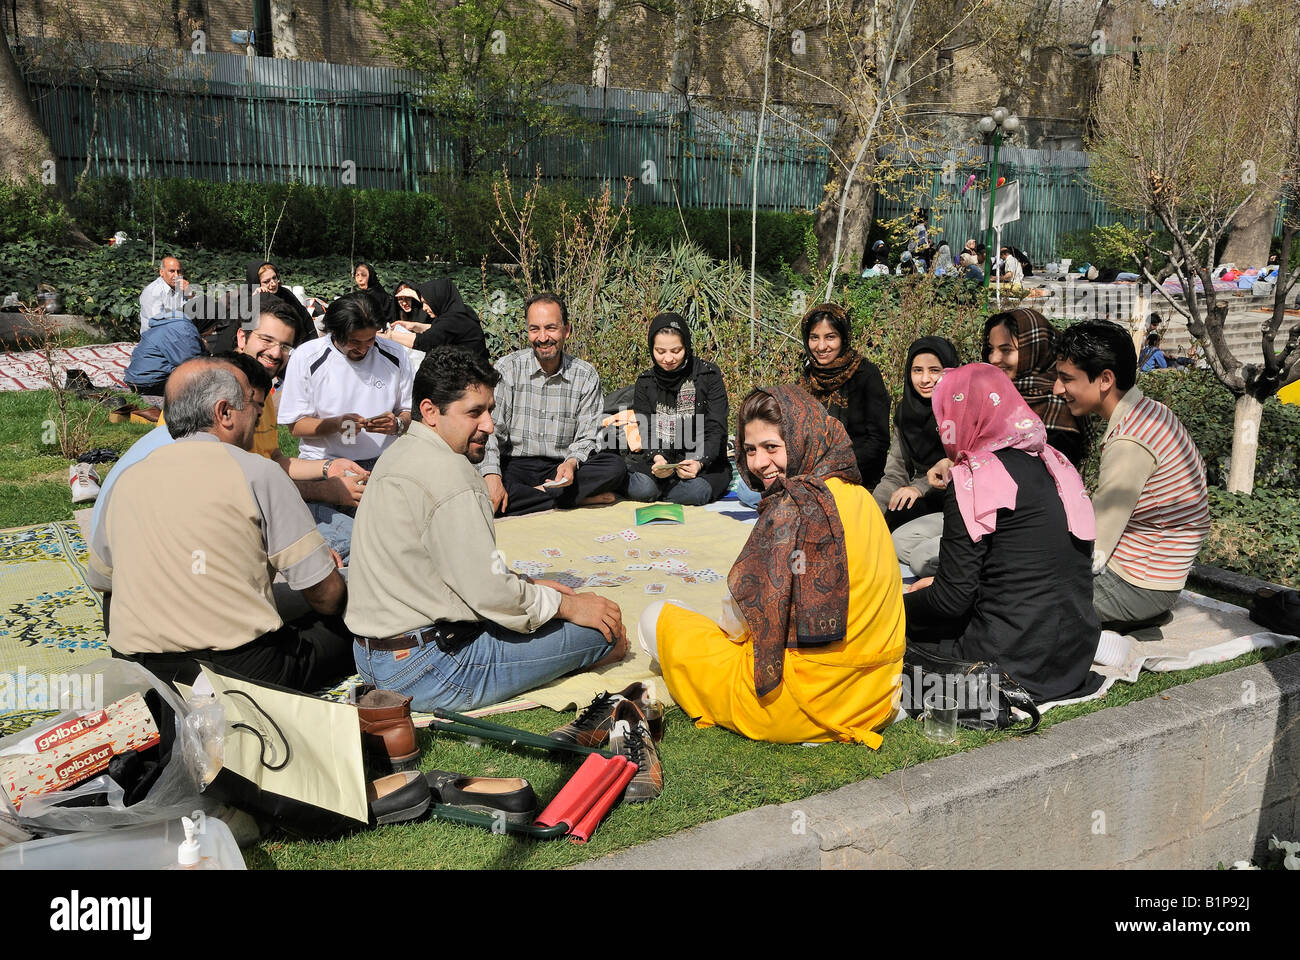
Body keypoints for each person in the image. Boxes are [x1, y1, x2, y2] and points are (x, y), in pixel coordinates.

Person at [345, 346, 629, 712]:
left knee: (542, 604)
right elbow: (491, 594)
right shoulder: (453, 477)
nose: (489, 425)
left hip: (371, 658)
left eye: (490, 410)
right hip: (431, 669)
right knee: (603, 630)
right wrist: (565, 606)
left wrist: (528, 585)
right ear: (431, 411)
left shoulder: (396, 453)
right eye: (474, 413)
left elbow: (446, 566)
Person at [639, 385, 905, 745]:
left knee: (657, 616)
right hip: (875, 698)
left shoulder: (791, 509)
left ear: (801, 440)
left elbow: (737, 624)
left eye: (771, 448)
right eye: (750, 450)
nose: (758, 463)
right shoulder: (864, 499)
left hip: (797, 705)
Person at [86, 356, 353, 692]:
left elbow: (104, 582)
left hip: (142, 672)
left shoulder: (126, 478)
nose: (257, 414)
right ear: (224, 412)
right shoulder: (257, 472)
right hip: (239, 669)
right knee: (349, 618)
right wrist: (332, 578)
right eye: (251, 405)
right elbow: (325, 596)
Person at [903, 363, 1103, 704]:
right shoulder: (1055, 463)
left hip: (1009, 666)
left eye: (946, 415)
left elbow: (950, 601)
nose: (942, 426)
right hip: (1072, 657)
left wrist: (895, 605)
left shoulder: (974, 477)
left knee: (889, 643)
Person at [1054, 321, 1210, 635]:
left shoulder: (1130, 442)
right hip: (1155, 579)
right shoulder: (1151, 411)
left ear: (1105, 380)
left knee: (1023, 595)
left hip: (1138, 587)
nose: (1057, 389)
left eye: (1066, 379)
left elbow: (1094, 548)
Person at [277, 293, 414, 560]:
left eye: (370, 340)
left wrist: (396, 423)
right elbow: (295, 426)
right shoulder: (308, 356)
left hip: (382, 465)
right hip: (324, 465)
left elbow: (408, 411)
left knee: (397, 539)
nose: (363, 349)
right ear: (334, 334)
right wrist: (335, 425)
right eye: (354, 342)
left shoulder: (394, 355)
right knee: (362, 543)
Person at [479, 292, 627, 516]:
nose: (542, 337)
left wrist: (572, 462)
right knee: (479, 482)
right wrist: (492, 476)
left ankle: (529, 497)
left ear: (566, 330)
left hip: (561, 467)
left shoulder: (584, 375)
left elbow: (588, 435)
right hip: (515, 465)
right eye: (534, 329)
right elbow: (491, 430)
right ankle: (567, 500)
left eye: (550, 328)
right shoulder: (508, 369)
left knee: (615, 468)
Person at [623, 312, 732, 505]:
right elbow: (646, 428)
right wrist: (657, 458)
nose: (668, 358)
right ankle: (660, 488)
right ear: (651, 349)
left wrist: (699, 461)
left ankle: (661, 492)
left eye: (676, 350)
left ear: (687, 346)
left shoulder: (708, 375)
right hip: (661, 459)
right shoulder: (646, 381)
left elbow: (717, 427)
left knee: (696, 492)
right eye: (660, 351)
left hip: (704, 461)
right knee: (642, 489)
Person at [797, 303, 890, 488]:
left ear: (843, 338)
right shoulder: (808, 377)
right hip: (811, 472)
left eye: (830, 337)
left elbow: (877, 442)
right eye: (814, 338)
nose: (821, 346)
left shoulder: (866, 375)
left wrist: (833, 469)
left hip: (857, 473)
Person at [873, 336, 961, 532]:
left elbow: (964, 465)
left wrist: (919, 488)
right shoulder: (906, 412)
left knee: (901, 515)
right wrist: (873, 510)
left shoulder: (961, 409)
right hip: (919, 493)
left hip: (957, 493)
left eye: (934, 370)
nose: (925, 379)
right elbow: (896, 471)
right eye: (917, 370)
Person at [981, 307, 1088, 467]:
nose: (994, 359)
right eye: (991, 349)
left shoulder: (1055, 409)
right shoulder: (993, 397)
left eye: (1006, 350)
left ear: (1034, 349)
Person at [379, 279, 488, 362]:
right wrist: (415, 326)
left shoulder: (453, 319)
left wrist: (390, 335)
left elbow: (423, 341)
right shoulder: (460, 311)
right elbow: (441, 331)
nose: (424, 308)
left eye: (426, 303)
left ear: (438, 299)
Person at [123, 304, 219, 396]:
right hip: (148, 383)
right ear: (206, 321)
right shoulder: (183, 328)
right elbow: (192, 365)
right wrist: (206, 349)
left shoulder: (174, 322)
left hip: (137, 379)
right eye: (213, 326)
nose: (212, 331)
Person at [245, 260, 314, 344]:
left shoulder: (285, 294)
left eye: (274, 278)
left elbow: (304, 317)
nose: (273, 283)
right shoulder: (245, 297)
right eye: (266, 282)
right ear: (256, 283)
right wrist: (255, 300)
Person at [139, 256, 194, 334]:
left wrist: (190, 295)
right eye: (172, 271)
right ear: (161, 272)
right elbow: (157, 323)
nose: (176, 275)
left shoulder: (180, 287)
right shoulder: (152, 292)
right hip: (156, 336)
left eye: (179, 271)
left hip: (177, 332)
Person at [353, 262, 398, 329]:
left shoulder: (377, 294)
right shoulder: (365, 292)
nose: (360, 279)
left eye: (364, 275)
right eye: (357, 275)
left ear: (371, 276)